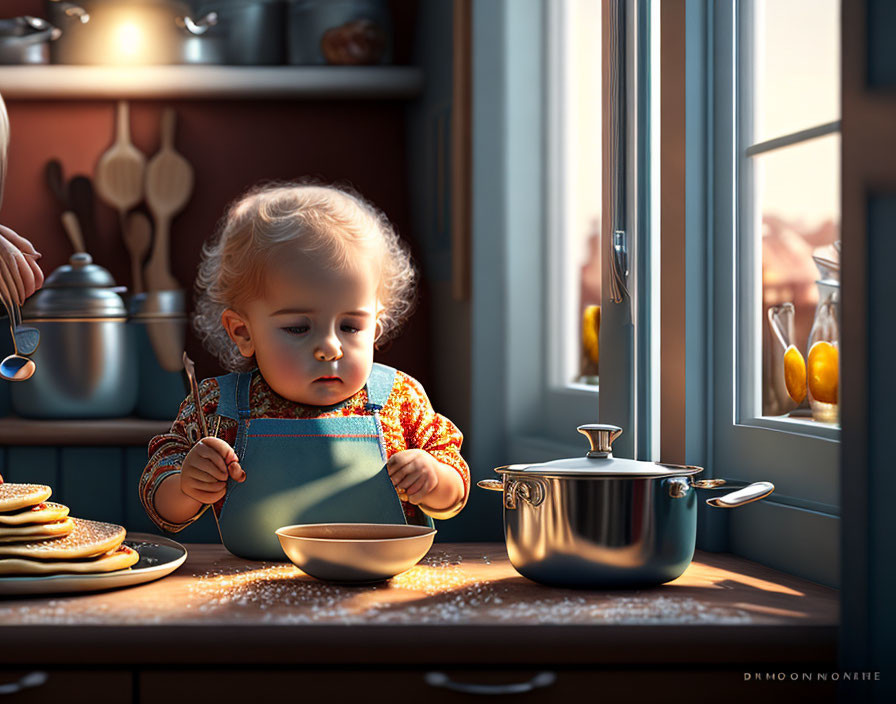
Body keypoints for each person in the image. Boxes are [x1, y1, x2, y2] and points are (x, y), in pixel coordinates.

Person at [139, 183, 469, 559]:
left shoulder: (399, 399)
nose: (330, 347)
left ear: (376, 328)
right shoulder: (218, 408)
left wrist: (434, 478)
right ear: (244, 333)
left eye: (350, 327)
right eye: (298, 327)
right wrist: (186, 485)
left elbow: (454, 484)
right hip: (255, 588)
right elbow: (160, 498)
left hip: (379, 591)